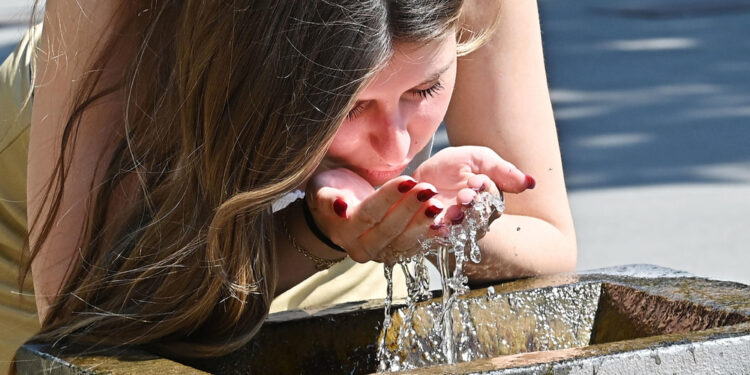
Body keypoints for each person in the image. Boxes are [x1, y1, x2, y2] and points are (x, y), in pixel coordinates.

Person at [0, 0, 576, 367]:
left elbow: (549, 244)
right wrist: (313, 234)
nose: (396, 147)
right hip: (55, 258)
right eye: (348, 107)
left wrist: (449, 224)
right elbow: (96, 323)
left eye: (423, 92)